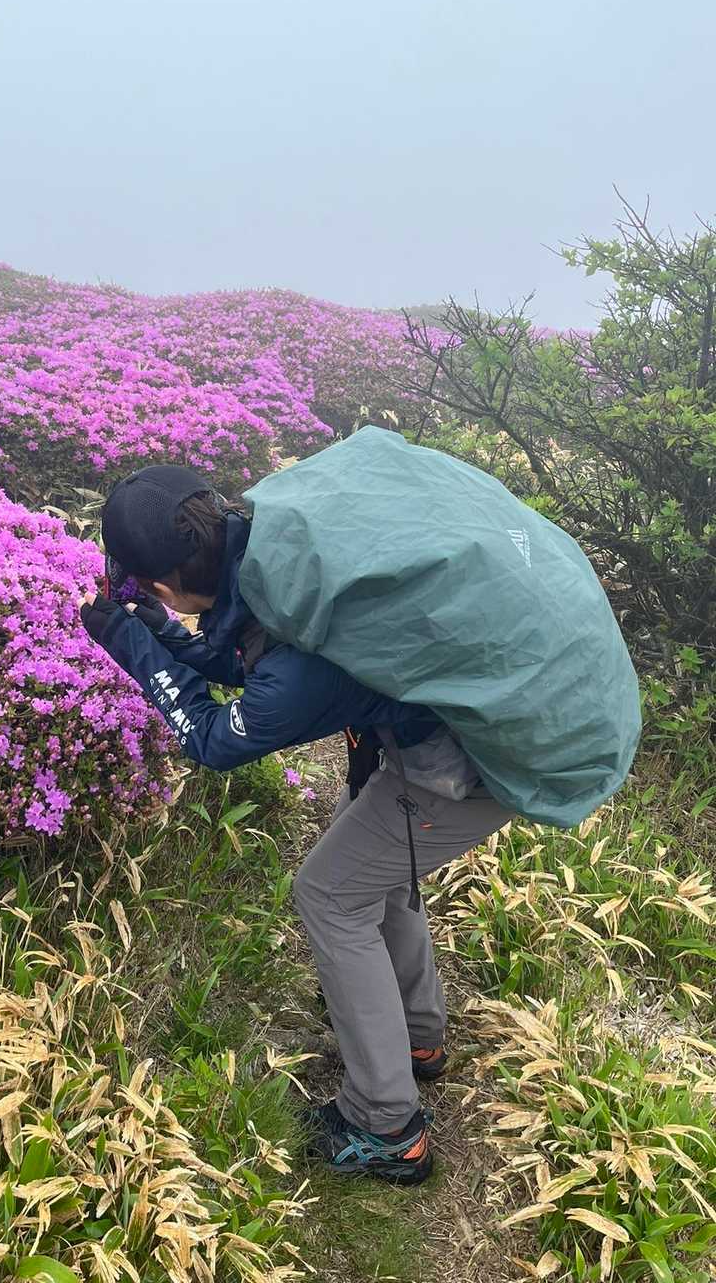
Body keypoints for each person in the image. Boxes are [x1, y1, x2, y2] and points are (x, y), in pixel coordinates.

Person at [79, 464, 516, 1185]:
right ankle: (416, 1039)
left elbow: (216, 737)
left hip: (468, 765)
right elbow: (248, 654)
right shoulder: (271, 551)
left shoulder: (302, 658)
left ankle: (387, 1126)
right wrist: (161, 633)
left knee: (332, 895)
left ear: (160, 584)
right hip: (449, 728)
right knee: (371, 865)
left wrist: (132, 646)